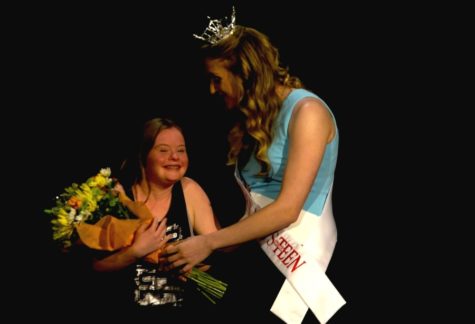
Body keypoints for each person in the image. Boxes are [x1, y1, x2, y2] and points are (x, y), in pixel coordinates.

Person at [166, 7, 345, 324]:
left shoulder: (308, 112)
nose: (212, 89)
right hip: (259, 263)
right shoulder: (252, 122)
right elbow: (253, 213)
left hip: (303, 265)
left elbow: (287, 209)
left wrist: (208, 242)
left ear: (244, 73)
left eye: (216, 79)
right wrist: (209, 252)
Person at [91, 117, 221, 320]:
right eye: (163, 150)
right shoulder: (118, 195)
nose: (175, 157)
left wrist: (184, 261)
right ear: (144, 155)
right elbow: (94, 267)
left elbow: (216, 249)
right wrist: (135, 252)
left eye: (181, 150)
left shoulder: (189, 191)